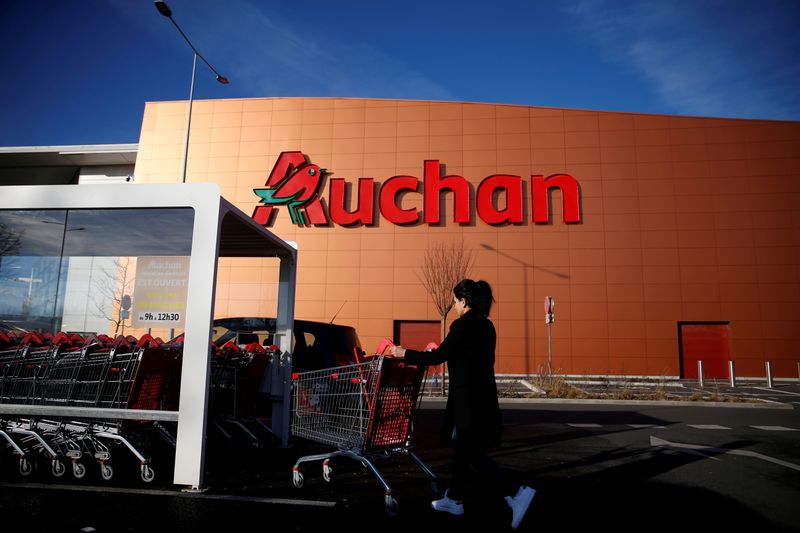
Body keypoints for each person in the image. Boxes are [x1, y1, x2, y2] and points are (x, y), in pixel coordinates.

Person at [390, 279, 535, 529]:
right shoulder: (488, 327)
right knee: (462, 449)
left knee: (471, 453)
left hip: (466, 400)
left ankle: (516, 492)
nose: (454, 305)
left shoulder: (461, 326)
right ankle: (454, 499)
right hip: (483, 398)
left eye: (455, 301)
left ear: (464, 301)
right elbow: (465, 356)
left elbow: (438, 356)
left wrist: (405, 353)